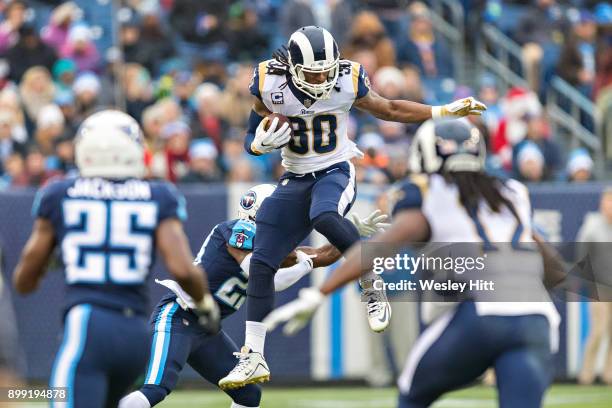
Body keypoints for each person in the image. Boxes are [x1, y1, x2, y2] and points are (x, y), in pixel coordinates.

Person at [220, 25, 487, 390]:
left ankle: (368, 279)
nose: (323, 79)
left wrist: (441, 111)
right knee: (263, 261)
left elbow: (390, 109)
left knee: (325, 215)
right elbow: (251, 133)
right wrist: (258, 146)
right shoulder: (270, 81)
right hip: (295, 176)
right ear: (294, 68)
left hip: (334, 169)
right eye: (314, 73)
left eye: (328, 71)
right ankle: (253, 355)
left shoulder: (348, 78)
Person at [265, 119, 561, 408]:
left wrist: (321, 291)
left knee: (411, 396)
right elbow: (553, 267)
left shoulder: (426, 189)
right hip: (536, 318)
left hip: (480, 316)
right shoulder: (513, 192)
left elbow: (384, 245)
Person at [12, 110, 220, 408]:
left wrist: (58, 255)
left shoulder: (59, 193)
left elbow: (24, 281)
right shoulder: (158, 194)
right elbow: (183, 269)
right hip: (136, 334)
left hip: (89, 325)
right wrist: (205, 305)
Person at [118, 184, 388, 408]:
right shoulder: (237, 229)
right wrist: (305, 264)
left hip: (207, 329)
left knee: (248, 395)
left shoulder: (268, 245)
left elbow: (324, 255)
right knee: (156, 389)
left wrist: (347, 236)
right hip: (178, 317)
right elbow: (266, 274)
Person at [577, 187, 612, 385]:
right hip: (599, 288)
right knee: (598, 331)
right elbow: (582, 256)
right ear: (602, 203)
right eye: (609, 201)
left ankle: (609, 375)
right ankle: (586, 375)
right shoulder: (592, 226)